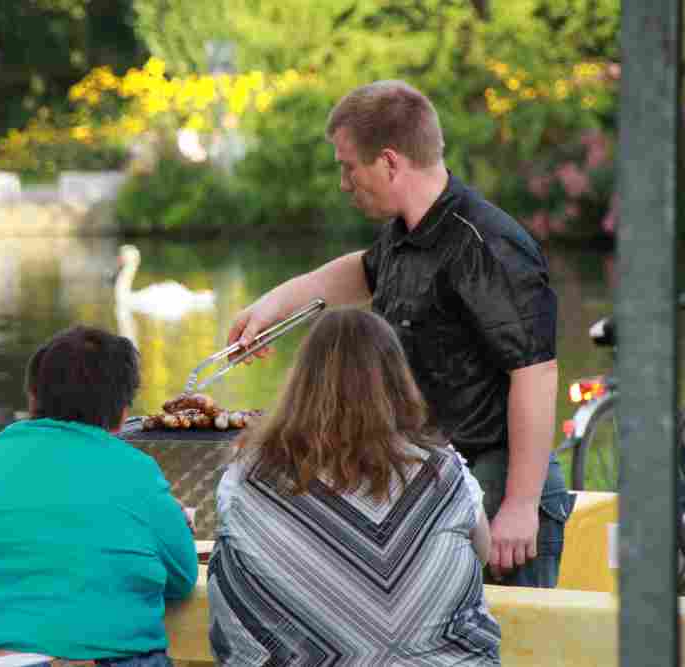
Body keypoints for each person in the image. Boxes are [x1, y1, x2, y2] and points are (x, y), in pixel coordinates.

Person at [228, 80, 572, 587]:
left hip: (503, 486)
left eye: (349, 167)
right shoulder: (406, 234)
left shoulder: (487, 245)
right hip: (442, 480)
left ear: (389, 162)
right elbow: (360, 271)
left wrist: (521, 505)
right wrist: (270, 307)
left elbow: (536, 372)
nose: (344, 183)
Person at [0, 325, 198, 667]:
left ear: (33, 397)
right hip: (63, 658)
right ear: (124, 412)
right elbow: (182, 578)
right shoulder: (135, 468)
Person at [209, 307, 500, 665]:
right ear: (396, 381)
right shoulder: (445, 470)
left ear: (301, 381)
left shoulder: (248, 475)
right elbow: (480, 554)